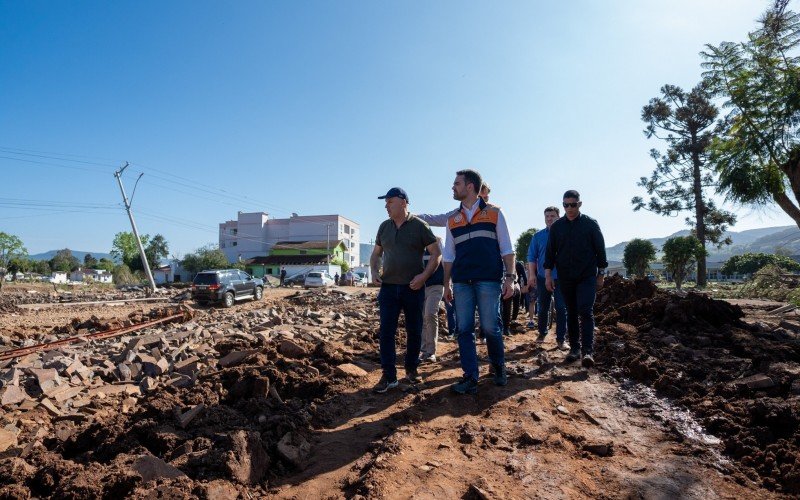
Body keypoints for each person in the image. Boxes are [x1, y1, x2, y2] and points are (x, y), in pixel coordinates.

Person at [443, 170, 515, 395]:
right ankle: (470, 376)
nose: (453, 187)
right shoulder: (452, 219)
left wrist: (510, 279)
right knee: (464, 330)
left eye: (457, 184)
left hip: (488, 281)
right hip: (462, 282)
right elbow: (448, 255)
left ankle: (498, 365)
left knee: (490, 327)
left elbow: (507, 248)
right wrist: (447, 284)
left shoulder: (494, 213)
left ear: (471, 186)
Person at [370, 187, 441, 393]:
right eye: (386, 202)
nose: (386, 206)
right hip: (389, 288)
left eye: (389, 201)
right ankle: (389, 376)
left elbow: (436, 253)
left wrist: (424, 276)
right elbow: (376, 254)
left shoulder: (420, 226)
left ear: (403, 202)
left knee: (414, 330)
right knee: (386, 332)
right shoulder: (384, 227)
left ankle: (411, 370)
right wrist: (374, 270)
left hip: (413, 287)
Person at [544, 190, 608, 367]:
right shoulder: (557, 227)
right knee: (571, 312)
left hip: (587, 276)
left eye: (573, 204)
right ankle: (574, 349)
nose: (569, 208)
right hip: (565, 277)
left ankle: (588, 352)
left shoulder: (590, 225)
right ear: (563, 205)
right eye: (566, 205)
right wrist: (548, 276)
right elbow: (550, 254)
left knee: (585, 310)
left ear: (579, 204)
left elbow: (600, 250)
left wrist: (601, 274)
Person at [527, 206, 569, 349]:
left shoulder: (566, 234)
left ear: (559, 216)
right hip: (542, 278)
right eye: (547, 216)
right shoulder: (538, 236)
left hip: (561, 278)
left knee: (561, 307)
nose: (549, 219)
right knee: (543, 306)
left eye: (552, 216)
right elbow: (532, 257)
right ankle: (542, 332)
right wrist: (531, 275)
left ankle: (561, 339)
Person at [420, 238, 445, 362]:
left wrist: (448, 286)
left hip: (436, 286)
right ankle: (424, 350)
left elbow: (446, 266)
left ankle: (431, 351)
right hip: (421, 287)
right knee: (423, 318)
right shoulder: (419, 250)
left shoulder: (439, 248)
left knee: (430, 314)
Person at [500, 260, 528, 335]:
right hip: (505, 283)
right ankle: (511, 322)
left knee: (508, 303)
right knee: (508, 305)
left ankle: (508, 324)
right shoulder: (516, 263)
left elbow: (518, 276)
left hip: (511, 283)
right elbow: (524, 277)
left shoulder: (514, 263)